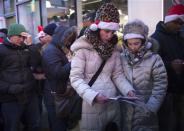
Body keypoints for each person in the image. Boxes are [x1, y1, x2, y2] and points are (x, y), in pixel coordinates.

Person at [69, 3, 135, 131]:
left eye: (113, 32)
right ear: (98, 28)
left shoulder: (114, 49)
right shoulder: (83, 48)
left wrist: (128, 90)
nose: (110, 35)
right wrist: (93, 96)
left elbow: (117, 75)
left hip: (111, 103)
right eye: (106, 31)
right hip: (90, 105)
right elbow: (75, 78)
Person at [120, 19, 167, 131]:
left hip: (145, 112)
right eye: (129, 44)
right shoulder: (121, 58)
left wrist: (150, 108)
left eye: (136, 43)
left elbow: (160, 86)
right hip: (125, 111)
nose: (133, 47)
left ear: (144, 41)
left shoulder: (154, 59)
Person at [0, 23, 41, 131]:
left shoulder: (25, 48)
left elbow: (36, 63)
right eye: (19, 36)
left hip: (29, 94)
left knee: (34, 125)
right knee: (12, 127)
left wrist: (31, 46)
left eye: (24, 37)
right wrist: (9, 88)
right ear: (11, 36)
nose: (22, 39)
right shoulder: (1, 50)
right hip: (10, 98)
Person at [151, 4, 184, 131]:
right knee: (168, 124)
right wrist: (170, 65)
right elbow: (151, 64)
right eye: (177, 23)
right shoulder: (155, 39)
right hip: (165, 92)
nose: (179, 26)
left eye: (181, 24)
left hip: (180, 89)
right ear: (169, 21)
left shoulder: (180, 38)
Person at [42, 25, 77, 131]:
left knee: (64, 124)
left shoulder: (58, 48)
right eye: (68, 38)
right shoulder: (51, 51)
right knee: (58, 125)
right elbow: (58, 73)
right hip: (55, 96)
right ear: (61, 37)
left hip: (61, 94)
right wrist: (73, 62)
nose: (69, 41)